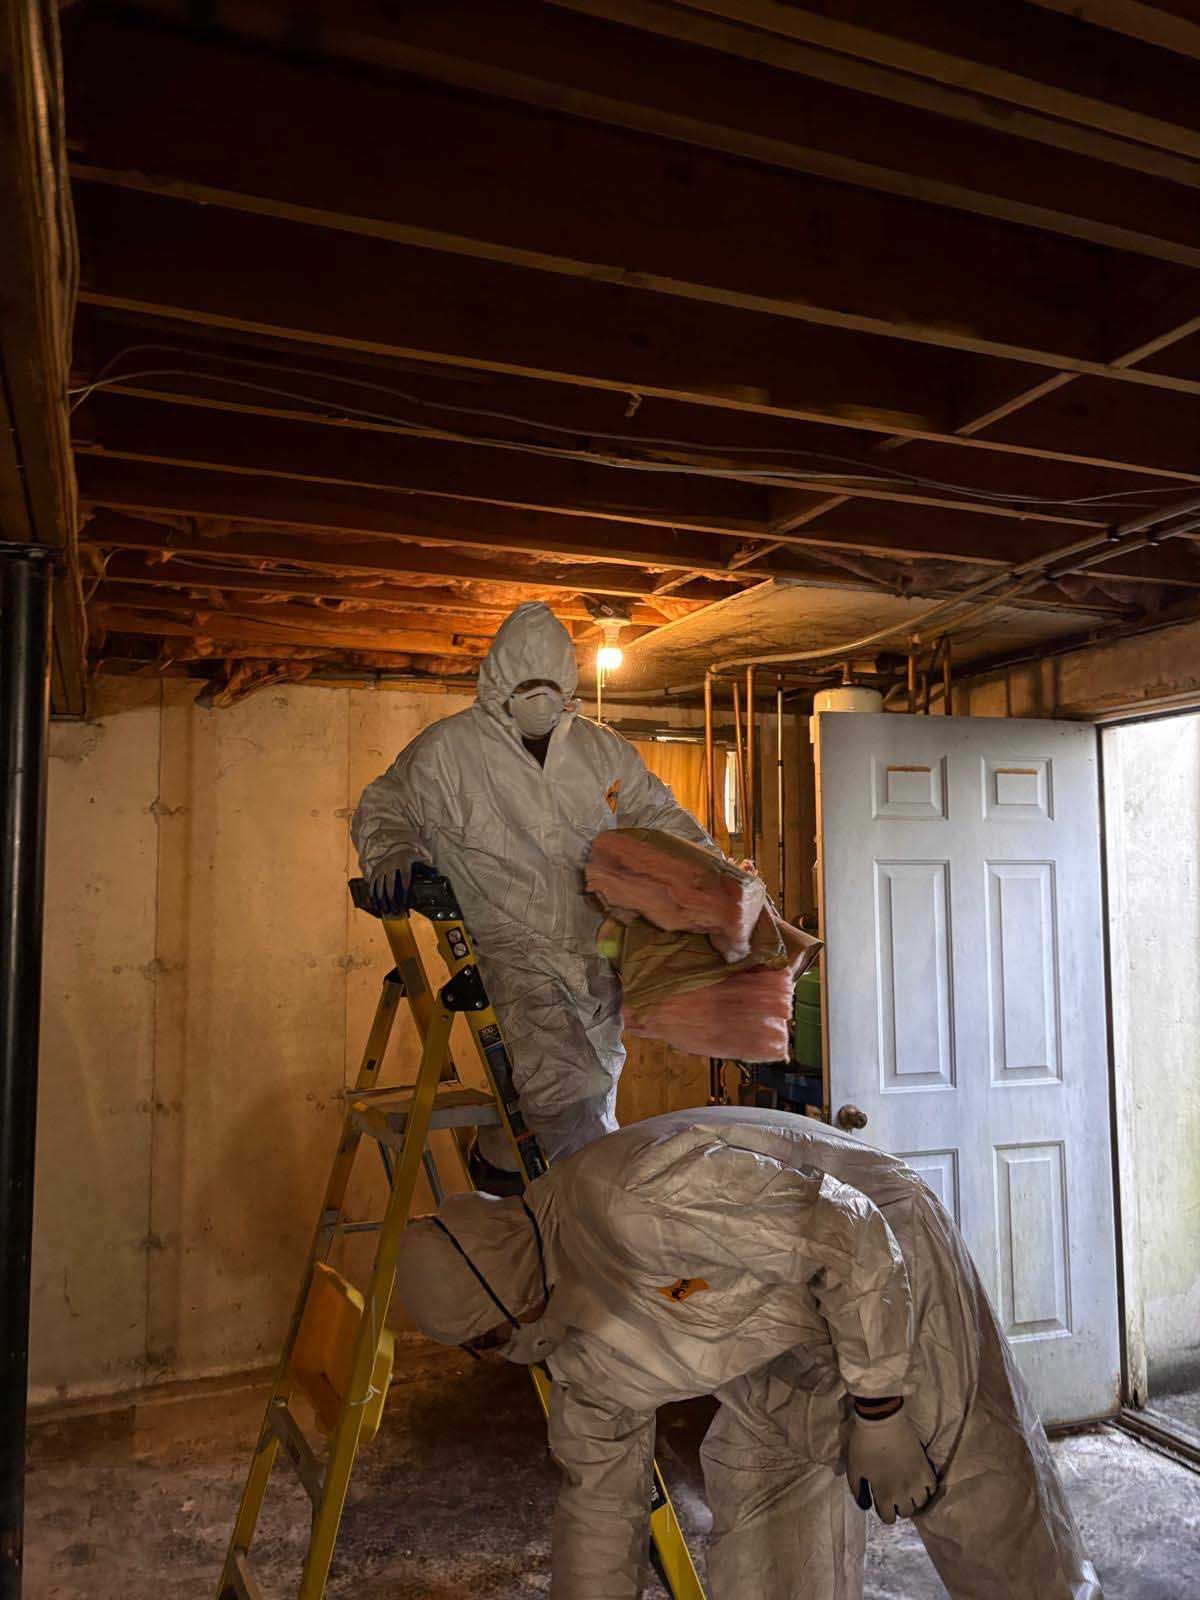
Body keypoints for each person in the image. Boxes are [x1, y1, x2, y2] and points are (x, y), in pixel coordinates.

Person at [393, 1105, 1102, 1600]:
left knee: (981, 1504)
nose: (504, 1353)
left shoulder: (629, 1199)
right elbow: (599, 1510)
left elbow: (847, 1232)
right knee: (771, 1558)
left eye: (487, 1337)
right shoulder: (577, 1354)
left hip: (891, 1272)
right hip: (773, 1348)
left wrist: (880, 1410)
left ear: (497, 1280)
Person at [351, 601, 714, 1178]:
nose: (540, 697)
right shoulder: (449, 751)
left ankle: (498, 1163)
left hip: (598, 950)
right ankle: (598, 1233)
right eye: (526, 683)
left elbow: (658, 816)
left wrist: (715, 876)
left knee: (588, 1085)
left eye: (551, 683)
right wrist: (392, 851)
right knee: (571, 1088)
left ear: (569, 681)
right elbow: (385, 805)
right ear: (497, 679)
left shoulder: (601, 750)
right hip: (506, 941)